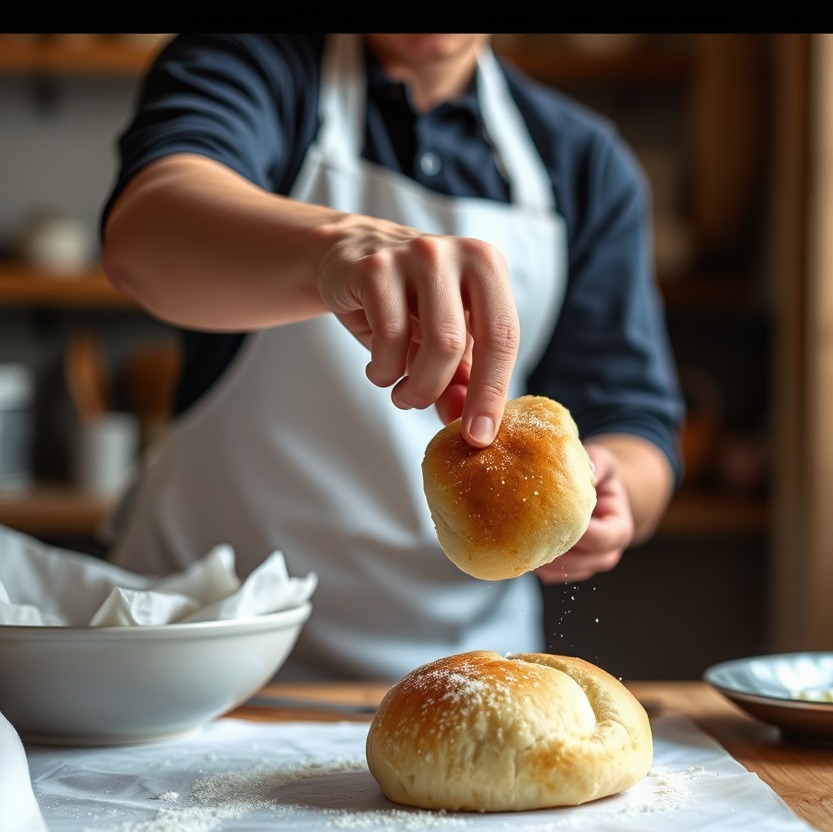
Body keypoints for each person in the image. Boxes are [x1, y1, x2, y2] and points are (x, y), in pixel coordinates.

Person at [100, 33, 685, 681]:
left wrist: (611, 487)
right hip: (203, 652)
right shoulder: (252, 64)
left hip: (462, 671)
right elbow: (144, 238)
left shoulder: (582, 161)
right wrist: (333, 251)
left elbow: (634, 422)